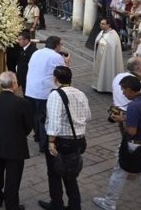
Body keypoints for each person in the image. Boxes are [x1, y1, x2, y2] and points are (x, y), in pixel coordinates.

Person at [39, 66, 91, 210]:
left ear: (56, 79)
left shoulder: (56, 95)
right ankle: (75, 205)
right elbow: (88, 116)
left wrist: (50, 142)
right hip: (78, 140)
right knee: (70, 174)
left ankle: (57, 204)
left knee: (54, 173)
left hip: (61, 141)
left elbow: (54, 121)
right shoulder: (80, 93)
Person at [92, 75, 141, 210]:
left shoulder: (133, 106)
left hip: (134, 144)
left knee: (119, 172)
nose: (123, 94)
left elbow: (131, 131)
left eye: (123, 90)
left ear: (130, 89)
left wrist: (122, 120)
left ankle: (109, 203)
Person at [0, 71, 32, 210]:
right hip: (16, 144)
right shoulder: (23, 103)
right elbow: (28, 125)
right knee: (13, 176)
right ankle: (12, 204)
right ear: (14, 85)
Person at [26, 36, 67, 153]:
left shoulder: (37, 53)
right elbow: (63, 74)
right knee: (44, 118)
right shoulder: (56, 56)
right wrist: (67, 62)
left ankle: (37, 136)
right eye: (60, 45)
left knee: (35, 115)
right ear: (57, 46)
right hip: (44, 91)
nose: (61, 47)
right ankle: (43, 145)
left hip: (31, 89)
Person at [93, 18, 124, 93]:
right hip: (100, 57)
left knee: (108, 71)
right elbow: (97, 42)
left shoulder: (113, 35)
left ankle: (107, 87)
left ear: (108, 25)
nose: (101, 25)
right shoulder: (101, 32)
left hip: (109, 59)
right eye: (100, 23)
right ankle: (98, 85)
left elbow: (112, 46)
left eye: (103, 24)